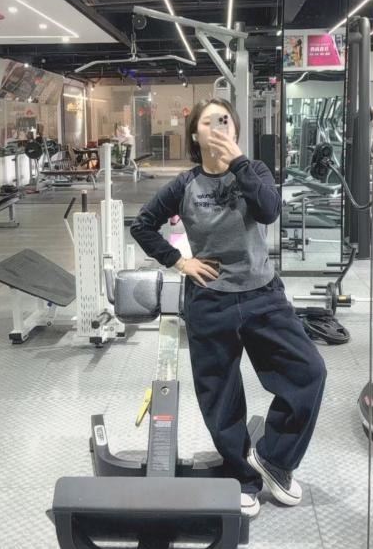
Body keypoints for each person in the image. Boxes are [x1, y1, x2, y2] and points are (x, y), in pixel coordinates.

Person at [130, 98, 326, 519]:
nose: (218, 127)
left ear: (235, 130)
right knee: (220, 396)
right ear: (195, 135)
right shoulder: (184, 185)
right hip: (209, 301)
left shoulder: (254, 171)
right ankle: (241, 477)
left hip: (263, 296)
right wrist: (179, 261)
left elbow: (269, 211)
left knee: (309, 372)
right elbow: (142, 225)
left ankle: (273, 460)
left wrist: (238, 162)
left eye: (225, 121)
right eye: (209, 122)